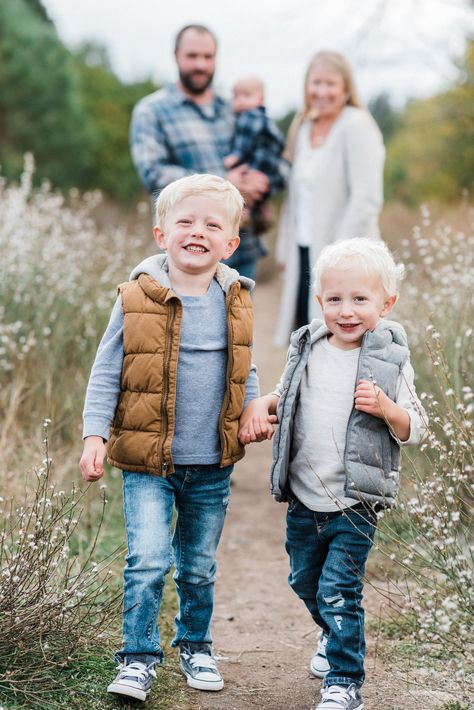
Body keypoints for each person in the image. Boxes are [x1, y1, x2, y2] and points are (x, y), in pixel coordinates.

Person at [80, 174, 259, 702]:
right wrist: (94, 436)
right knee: (149, 559)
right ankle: (137, 658)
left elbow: (244, 368)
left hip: (211, 464)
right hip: (147, 463)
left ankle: (196, 645)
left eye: (212, 224)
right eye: (185, 221)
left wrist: (252, 407)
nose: (196, 231)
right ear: (162, 234)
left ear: (230, 243)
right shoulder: (137, 297)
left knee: (199, 565)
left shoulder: (236, 299)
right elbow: (106, 372)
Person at [238, 239, 427, 710]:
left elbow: (417, 425)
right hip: (305, 495)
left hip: (356, 500)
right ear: (319, 301)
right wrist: (261, 407)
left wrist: (386, 409)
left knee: (338, 589)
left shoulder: (390, 359)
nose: (347, 311)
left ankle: (344, 681)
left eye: (361, 300)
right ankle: (331, 634)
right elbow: (286, 396)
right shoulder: (309, 346)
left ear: (386, 303)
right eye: (335, 300)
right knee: (305, 582)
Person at [130, 24, 287, 281]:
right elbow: (153, 173)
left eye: (208, 57)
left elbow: (276, 154)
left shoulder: (235, 108)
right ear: (176, 56)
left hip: (241, 247)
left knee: (239, 321)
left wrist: (265, 179)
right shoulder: (152, 111)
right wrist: (223, 181)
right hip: (187, 254)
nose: (200, 64)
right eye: (192, 56)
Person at [274, 50, 385, 347]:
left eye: (330, 84)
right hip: (303, 254)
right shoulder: (303, 127)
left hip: (345, 259)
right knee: (306, 343)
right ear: (306, 87)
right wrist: (285, 249)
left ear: (345, 88)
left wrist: (336, 256)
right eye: (316, 83)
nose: (322, 92)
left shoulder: (356, 125)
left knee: (342, 343)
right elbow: (294, 198)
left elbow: (366, 197)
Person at [224, 75, 286, 233]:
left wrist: (236, 156)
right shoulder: (266, 119)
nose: (240, 101)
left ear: (260, 99)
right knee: (258, 191)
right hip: (269, 165)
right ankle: (263, 210)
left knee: (246, 187)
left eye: (246, 95)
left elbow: (246, 140)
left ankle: (244, 213)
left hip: (258, 161)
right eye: (236, 96)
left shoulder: (249, 116)